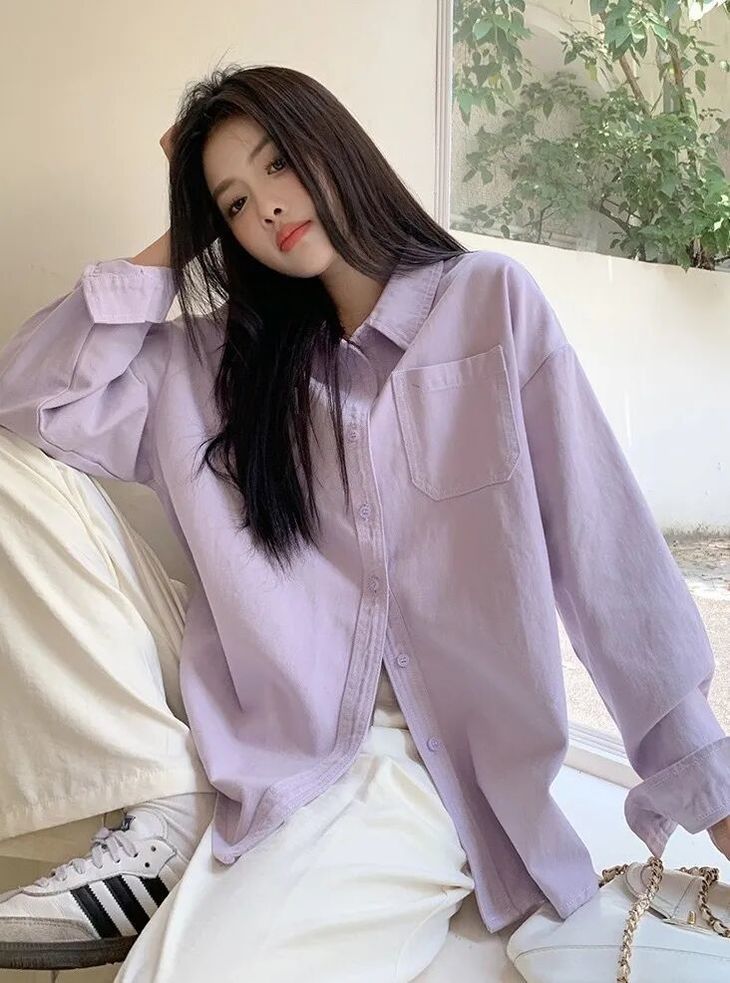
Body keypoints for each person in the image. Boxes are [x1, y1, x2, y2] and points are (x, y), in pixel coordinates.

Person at [0, 62, 729, 982]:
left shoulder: (489, 304)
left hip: (398, 760)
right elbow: (27, 401)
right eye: (233, 202)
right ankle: (162, 792)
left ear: (332, 142)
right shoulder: (215, 360)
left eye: (277, 163)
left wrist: (709, 789)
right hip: (239, 707)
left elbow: (605, 552)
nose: (266, 207)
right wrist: (182, 231)